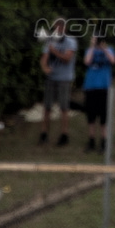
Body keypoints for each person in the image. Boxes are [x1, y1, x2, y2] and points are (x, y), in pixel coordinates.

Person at [39, 18, 77, 146]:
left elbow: (67, 58)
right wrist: (45, 68)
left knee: (64, 107)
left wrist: (53, 50)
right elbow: (44, 58)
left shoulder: (70, 41)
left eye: (60, 27)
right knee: (47, 107)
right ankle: (44, 134)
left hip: (64, 78)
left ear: (64, 28)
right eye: (56, 27)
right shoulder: (50, 41)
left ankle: (64, 135)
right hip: (51, 78)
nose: (57, 30)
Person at [82, 35, 115, 152]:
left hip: (103, 87)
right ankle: (91, 140)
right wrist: (92, 46)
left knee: (103, 116)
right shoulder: (89, 50)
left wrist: (104, 48)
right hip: (90, 86)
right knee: (91, 116)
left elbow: (113, 61)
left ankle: (104, 141)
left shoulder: (109, 49)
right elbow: (87, 61)